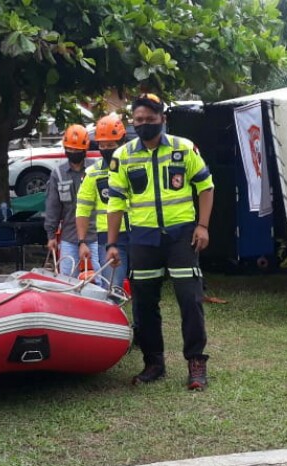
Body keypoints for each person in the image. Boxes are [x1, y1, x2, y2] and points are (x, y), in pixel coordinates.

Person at [105, 92, 215, 390]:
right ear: (132, 122)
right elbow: (115, 203)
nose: (144, 125)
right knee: (144, 304)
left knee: (190, 300)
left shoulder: (184, 149)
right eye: (138, 120)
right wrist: (112, 244)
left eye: (150, 120)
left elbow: (206, 187)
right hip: (141, 239)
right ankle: (154, 363)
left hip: (181, 237)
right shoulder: (123, 156)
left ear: (162, 120)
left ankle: (196, 363)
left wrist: (202, 226)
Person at [76, 113, 130, 290]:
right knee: (112, 288)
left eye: (111, 145)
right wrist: (82, 241)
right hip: (108, 237)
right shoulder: (93, 173)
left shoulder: (135, 166)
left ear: (122, 142)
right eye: (102, 145)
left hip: (139, 232)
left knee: (144, 287)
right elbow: (83, 209)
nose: (106, 149)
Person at [45, 124, 96, 277]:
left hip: (96, 235)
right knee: (67, 281)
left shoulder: (95, 171)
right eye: (70, 149)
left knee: (103, 279)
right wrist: (51, 236)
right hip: (70, 237)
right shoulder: (58, 174)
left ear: (85, 149)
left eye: (77, 150)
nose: (73, 153)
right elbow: (52, 207)